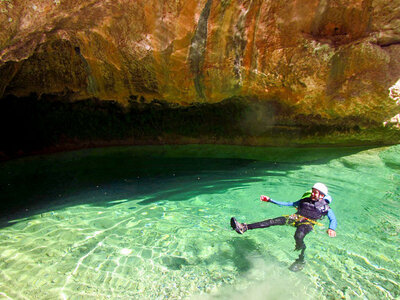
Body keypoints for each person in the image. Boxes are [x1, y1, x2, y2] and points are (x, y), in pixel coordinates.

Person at [230, 183, 337, 272]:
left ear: (322, 196)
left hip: (308, 223)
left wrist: (332, 228)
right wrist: (270, 200)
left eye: (316, 192)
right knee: (272, 221)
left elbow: (333, 219)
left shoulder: (325, 208)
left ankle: (301, 259)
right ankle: (244, 227)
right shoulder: (304, 200)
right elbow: (288, 204)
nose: (313, 193)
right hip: (295, 218)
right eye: (313, 191)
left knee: (298, 236)